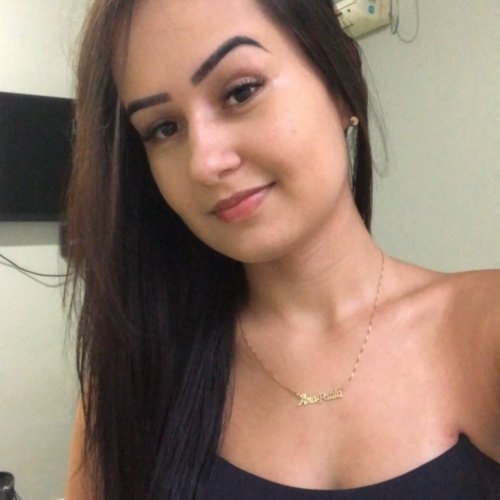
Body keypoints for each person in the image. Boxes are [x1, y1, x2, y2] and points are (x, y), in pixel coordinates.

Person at [64, 0, 500, 498]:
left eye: (240, 91)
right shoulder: (133, 379)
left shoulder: (484, 332)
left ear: (339, 85)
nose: (203, 162)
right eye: (163, 128)